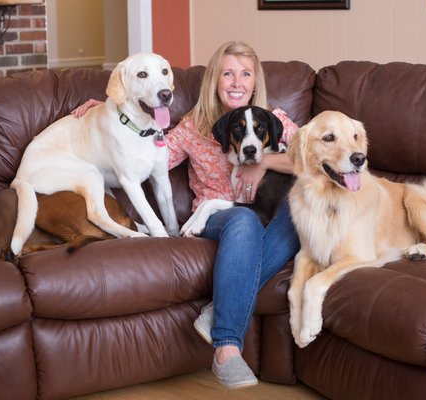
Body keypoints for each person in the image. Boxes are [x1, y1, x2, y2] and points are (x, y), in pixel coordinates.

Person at [72, 41, 301, 389]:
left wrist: (265, 160)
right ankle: (226, 348)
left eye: (245, 74)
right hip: (217, 220)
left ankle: (220, 307)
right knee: (244, 220)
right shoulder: (192, 128)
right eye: (227, 73)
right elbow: (147, 153)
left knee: (302, 206)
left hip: (267, 217)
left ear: (256, 82)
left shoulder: (275, 119)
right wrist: (105, 115)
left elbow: (318, 159)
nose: (237, 82)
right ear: (214, 80)